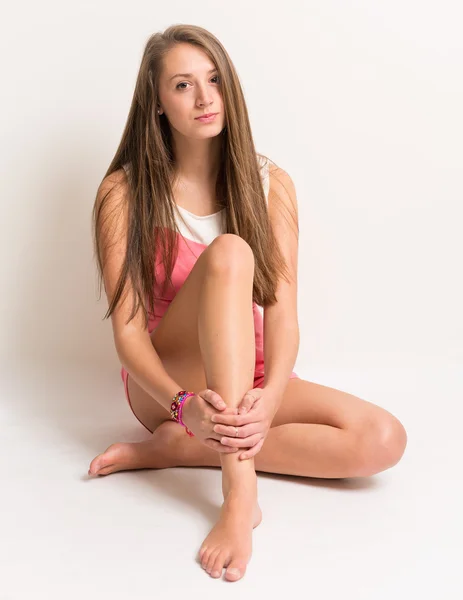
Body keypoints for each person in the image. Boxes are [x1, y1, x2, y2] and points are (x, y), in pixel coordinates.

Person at [87, 24, 407, 582]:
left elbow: (283, 316)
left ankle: (182, 453)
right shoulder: (124, 192)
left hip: (247, 377)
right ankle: (239, 495)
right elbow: (129, 337)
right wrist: (184, 407)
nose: (205, 97)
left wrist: (272, 394)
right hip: (168, 384)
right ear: (157, 103)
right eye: (183, 85)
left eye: (214, 80)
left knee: (382, 440)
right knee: (231, 253)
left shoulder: (270, 183)